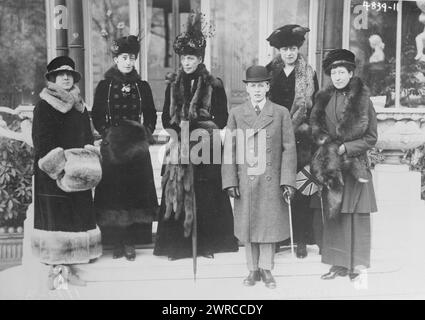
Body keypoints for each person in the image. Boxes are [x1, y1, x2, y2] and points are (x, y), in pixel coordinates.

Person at [154, 12, 239, 260]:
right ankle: (177, 247)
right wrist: (177, 131)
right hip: (180, 145)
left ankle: (207, 245)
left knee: (207, 195)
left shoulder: (214, 85)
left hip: (206, 146)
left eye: (192, 58)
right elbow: (165, 119)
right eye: (184, 58)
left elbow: (222, 118)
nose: (187, 62)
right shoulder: (173, 84)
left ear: (200, 58)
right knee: (178, 192)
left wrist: (201, 125)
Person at [222, 65, 297, 289]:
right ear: (247, 88)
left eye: (261, 85)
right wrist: (230, 181)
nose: (256, 90)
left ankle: (266, 269)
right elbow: (230, 151)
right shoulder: (236, 114)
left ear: (267, 87)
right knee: (248, 226)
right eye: (252, 86)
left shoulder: (281, 113)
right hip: (245, 179)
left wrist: (287, 181)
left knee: (268, 225)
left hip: (271, 179)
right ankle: (252, 269)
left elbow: (289, 149)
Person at [31, 56, 102, 289]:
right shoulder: (44, 105)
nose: (65, 77)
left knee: (75, 224)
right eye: (60, 74)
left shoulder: (79, 105)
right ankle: (58, 280)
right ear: (51, 79)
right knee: (58, 228)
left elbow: (87, 137)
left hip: (77, 174)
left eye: (69, 74)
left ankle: (71, 272)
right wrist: (60, 170)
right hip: (54, 177)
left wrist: (88, 161)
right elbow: (42, 142)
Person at [309, 49, 378, 280]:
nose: (338, 77)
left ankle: (356, 266)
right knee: (335, 215)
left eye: (342, 72)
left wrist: (346, 148)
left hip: (354, 165)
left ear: (350, 73)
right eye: (334, 73)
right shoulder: (324, 98)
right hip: (332, 165)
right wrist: (328, 148)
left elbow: (371, 137)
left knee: (355, 215)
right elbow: (317, 130)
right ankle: (338, 264)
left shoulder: (362, 100)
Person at [91, 35, 158, 261]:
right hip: (113, 148)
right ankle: (116, 241)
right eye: (123, 57)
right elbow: (97, 115)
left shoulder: (142, 86)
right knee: (114, 195)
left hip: (137, 148)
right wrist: (107, 134)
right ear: (116, 59)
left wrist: (144, 133)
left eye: (132, 58)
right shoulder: (105, 86)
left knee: (134, 194)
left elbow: (150, 115)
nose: (128, 62)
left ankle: (131, 241)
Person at [266, 24, 319, 258]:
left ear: (299, 49)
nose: (289, 53)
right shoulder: (270, 71)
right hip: (276, 136)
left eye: (294, 48)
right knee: (277, 186)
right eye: (285, 48)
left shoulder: (308, 73)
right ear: (279, 50)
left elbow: (314, 107)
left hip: (301, 138)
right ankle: (279, 237)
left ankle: (300, 239)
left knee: (300, 186)